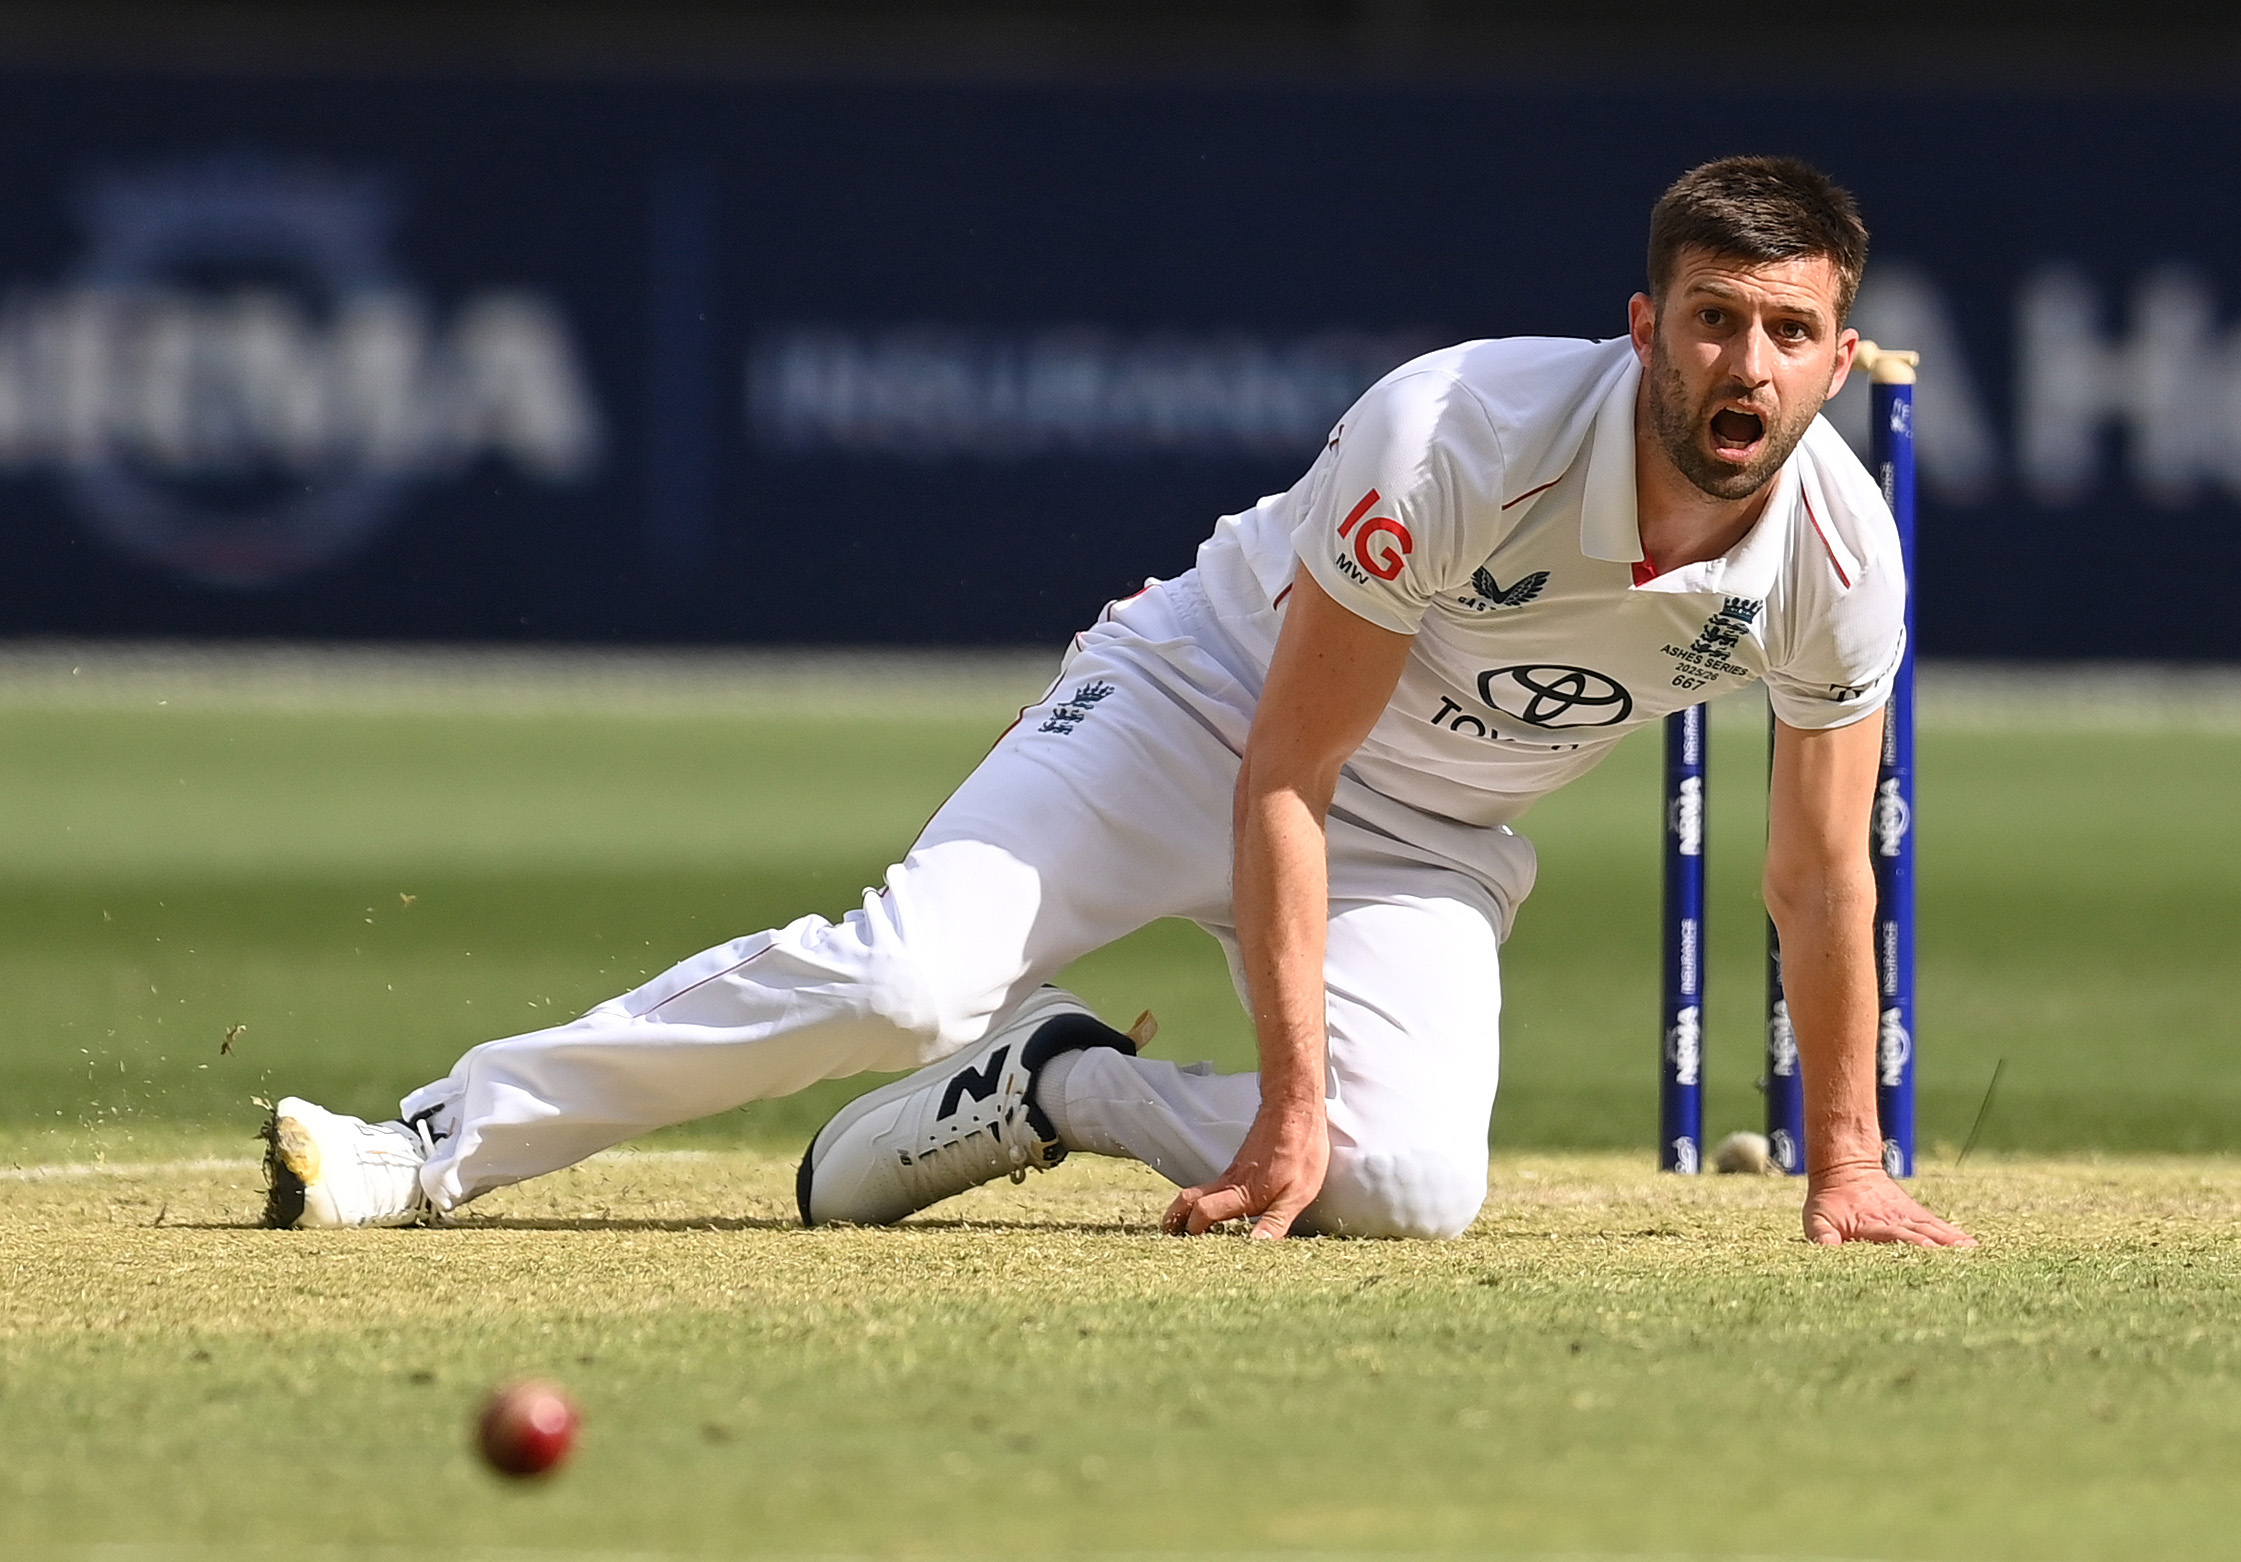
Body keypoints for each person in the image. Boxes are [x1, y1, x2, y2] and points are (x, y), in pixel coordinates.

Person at [261, 155, 1973, 1249]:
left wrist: (1844, 1161)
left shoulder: (1838, 551)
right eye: (1709, 321)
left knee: (1410, 1194)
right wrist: (1285, 1094)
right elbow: (1286, 774)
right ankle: (428, 1143)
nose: (1741, 366)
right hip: (1203, 717)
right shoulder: (1458, 438)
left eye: (1784, 333)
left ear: (1840, 355)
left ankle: (1059, 1084)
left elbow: (1819, 876)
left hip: (1429, 833)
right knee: (904, 974)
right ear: (1640, 328)